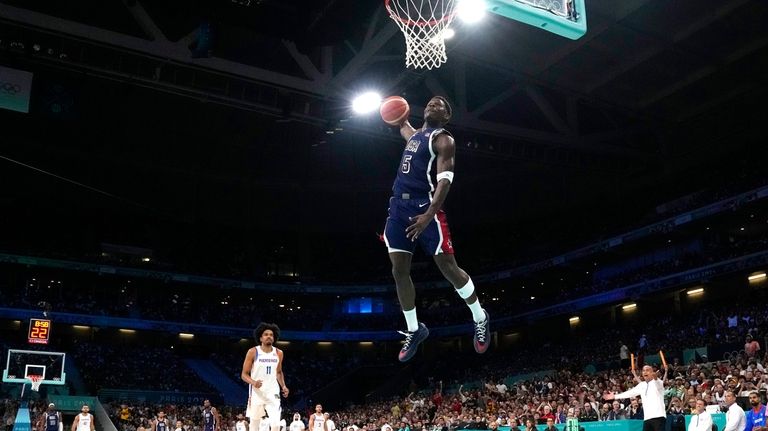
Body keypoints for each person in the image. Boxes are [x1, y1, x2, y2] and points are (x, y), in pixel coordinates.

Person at [383, 95, 490, 362]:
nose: (431, 105)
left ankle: (480, 316)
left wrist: (428, 216)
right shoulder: (418, 136)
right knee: (399, 270)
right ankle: (414, 329)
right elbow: (406, 131)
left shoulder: (444, 140)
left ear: (446, 116)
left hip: (425, 208)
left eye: (438, 105)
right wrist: (398, 118)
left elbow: (444, 183)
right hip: (398, 208)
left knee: (448, 268)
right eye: (429, 103)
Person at [242, 323, 289, 431]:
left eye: (271, 335)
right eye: (266, 334)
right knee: (254, 426)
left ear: (274, 338)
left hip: (273, 392)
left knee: (276, 424)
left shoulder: (279, 353)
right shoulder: (253, 351)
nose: (269, 336)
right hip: (256, 393)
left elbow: (279, 372)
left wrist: (284, 386)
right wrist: (253, 382)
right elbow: (244, 374)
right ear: (260, 338)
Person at [604, 365, 668, 431]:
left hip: (659, 416)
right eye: (643, 370)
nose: (645, 372)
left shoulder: (658, 382)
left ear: (652, 372)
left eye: (647, 370)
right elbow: (629, 393)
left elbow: (659, 384)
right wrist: (615, 396)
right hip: (647, 418)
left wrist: (656, 378)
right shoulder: (642, 385)